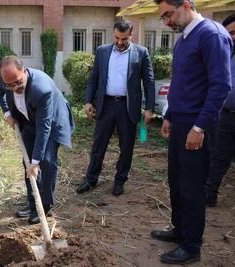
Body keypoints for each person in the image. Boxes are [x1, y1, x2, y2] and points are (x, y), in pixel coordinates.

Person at [151, 0, 232, 264]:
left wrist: (200, 127)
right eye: (163, 17)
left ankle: (191, 246)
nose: (167, 21)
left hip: (198, 124)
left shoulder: (211, 35)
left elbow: (221, 87)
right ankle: (180, 230)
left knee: (192, 187)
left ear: (185, 4)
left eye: (168, 14)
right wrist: (169, 115)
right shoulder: (184, 39)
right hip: (180, 122)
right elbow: (180, 82)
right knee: (176, 180)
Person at [76, 19, 155, 196]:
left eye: (124, 39)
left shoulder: (141, 53)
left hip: (128, 107)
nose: (119, 42)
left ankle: (120, 180)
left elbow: (149, 82)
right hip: (106, 105)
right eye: (117, 38)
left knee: (126, 147)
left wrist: (149, 107)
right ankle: (90, 179)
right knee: (98, 145)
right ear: (114, 34)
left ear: (131, 35)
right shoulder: (102, 51)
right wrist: (88, 101)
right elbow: (94, 78)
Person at [0, 55, 74, 225]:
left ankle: (45, 207)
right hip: (28, 119)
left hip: (52, 123)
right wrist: (7, 113)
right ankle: (33, 204)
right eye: (9, 85)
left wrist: (36, 161)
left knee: (45, 161)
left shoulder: (41, 89)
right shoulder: (6, 79)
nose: (14, 88)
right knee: (27, 164)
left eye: (17, 82)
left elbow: (44, 128)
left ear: (24, 71)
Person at [205, 14, 235, 207]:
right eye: (230, 33)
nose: (233, 37)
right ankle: (210, 194)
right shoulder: (224, 53)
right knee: (219, 156)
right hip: (225, 115)